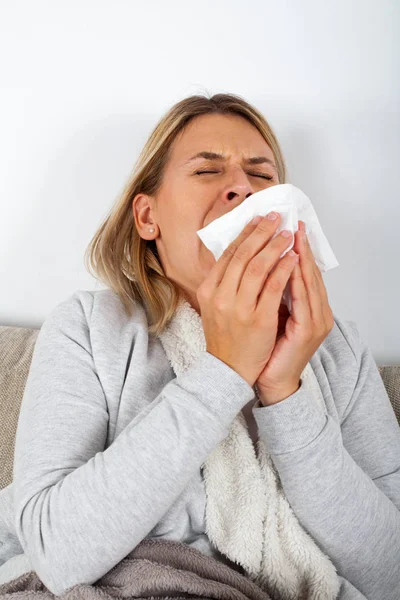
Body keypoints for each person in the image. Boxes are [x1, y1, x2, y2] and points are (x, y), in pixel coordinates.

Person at [0, 93, 399, 599]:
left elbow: (393, 572)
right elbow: (56, 551)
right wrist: (225, 370)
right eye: (208, 171)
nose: (241, 188)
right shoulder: (88, 328)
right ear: (148, 218)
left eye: (261, 175)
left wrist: (285, 391)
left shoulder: (336, 348)